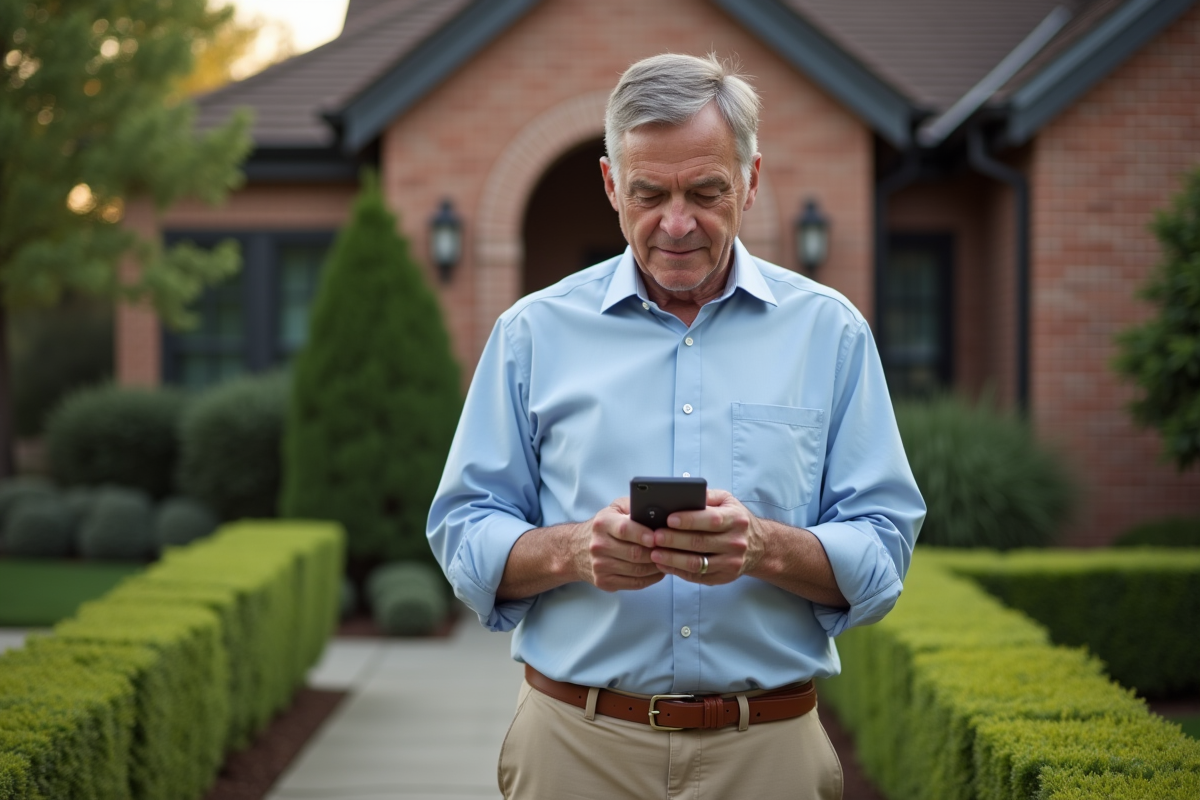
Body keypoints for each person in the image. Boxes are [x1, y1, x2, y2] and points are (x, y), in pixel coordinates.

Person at [427, 52, 924, 800]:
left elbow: (883, 550)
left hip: (768, 754)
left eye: (707, 191)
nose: (677, 223)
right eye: (649, 193)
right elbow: (464, 530)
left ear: (751, 180)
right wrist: (572, 550)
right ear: (609, 186)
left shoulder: (832, 335)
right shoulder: (531, 334)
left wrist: (763, 546)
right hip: (574, 749)